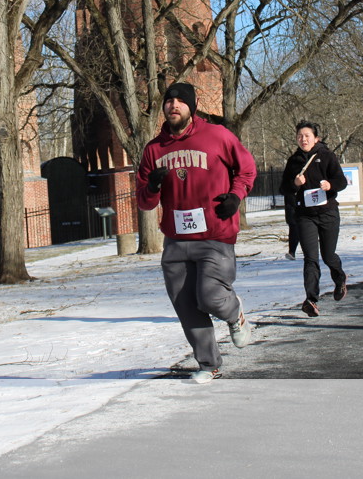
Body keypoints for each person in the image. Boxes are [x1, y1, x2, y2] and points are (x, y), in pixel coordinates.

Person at [136, 82, 258, 383]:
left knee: (211, 297)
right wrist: (152, 186)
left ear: (193, 106)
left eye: (181, 101)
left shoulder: (218, 136)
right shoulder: (154, 149)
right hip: (176, 240)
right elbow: (144, 202)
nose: (174, 105)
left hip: (215, 234)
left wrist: (236, 196)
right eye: (169, 101)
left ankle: (235, 313)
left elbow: (247, 169)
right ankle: (208, 364)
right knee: (186, 306)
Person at [280, 121, 348, 317]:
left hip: (327, 213)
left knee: (328, 255)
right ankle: (311, 300)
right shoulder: (294, 161)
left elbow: (341, 181)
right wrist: (294, 183)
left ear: (316, 138)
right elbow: (283, 188)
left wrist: (330, 185)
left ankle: (340, 279)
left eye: (307, 136)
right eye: (300, 136)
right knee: (310, 258)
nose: (303, 139)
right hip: (305, 216)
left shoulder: (327, 156)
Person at [283, 196, 300, 260]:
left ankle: (310, 252)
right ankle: (292, 252)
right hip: (292, 205)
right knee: (294, 228)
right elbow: (282, 191)